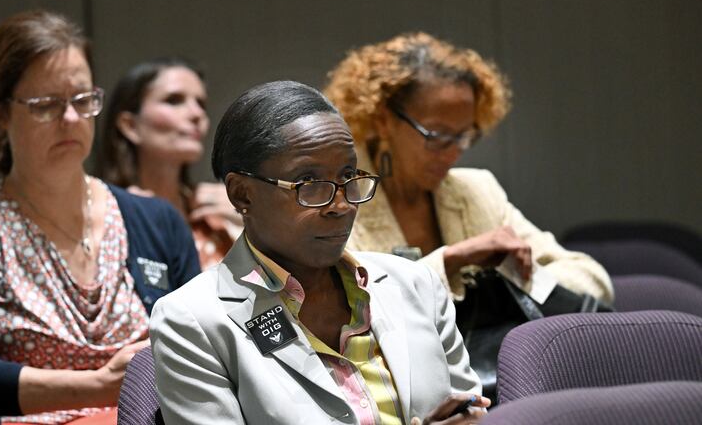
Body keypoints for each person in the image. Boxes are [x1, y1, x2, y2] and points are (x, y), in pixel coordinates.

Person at [0, 10, 200, 425]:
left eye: (83, 100)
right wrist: (99, 385)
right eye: (46, 105)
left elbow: (205, 343)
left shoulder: (157, 219)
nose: (71, 119)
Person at [150, 80, 488, 425]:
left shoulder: (415, 284)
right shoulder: (192, 320)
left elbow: (472, 411)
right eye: (309, 184)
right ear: (242, 195)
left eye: (347, 177)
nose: (340, 204)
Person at [324, 32, 613, 398]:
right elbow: (340, 316)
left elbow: (592, 279)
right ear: (382, 119)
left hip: (495, 392)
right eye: (437, 135)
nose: (454, 153)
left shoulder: (477, 191)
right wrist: (450, 262)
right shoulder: (340, 198)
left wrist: (519, 277)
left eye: (465, 137)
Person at [99, 58, 242, 268]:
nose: (197, 114)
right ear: (130, 125)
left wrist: (252, 222)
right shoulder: (105, 212)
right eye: (174, 100)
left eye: (200, 103)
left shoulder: (218, 211)